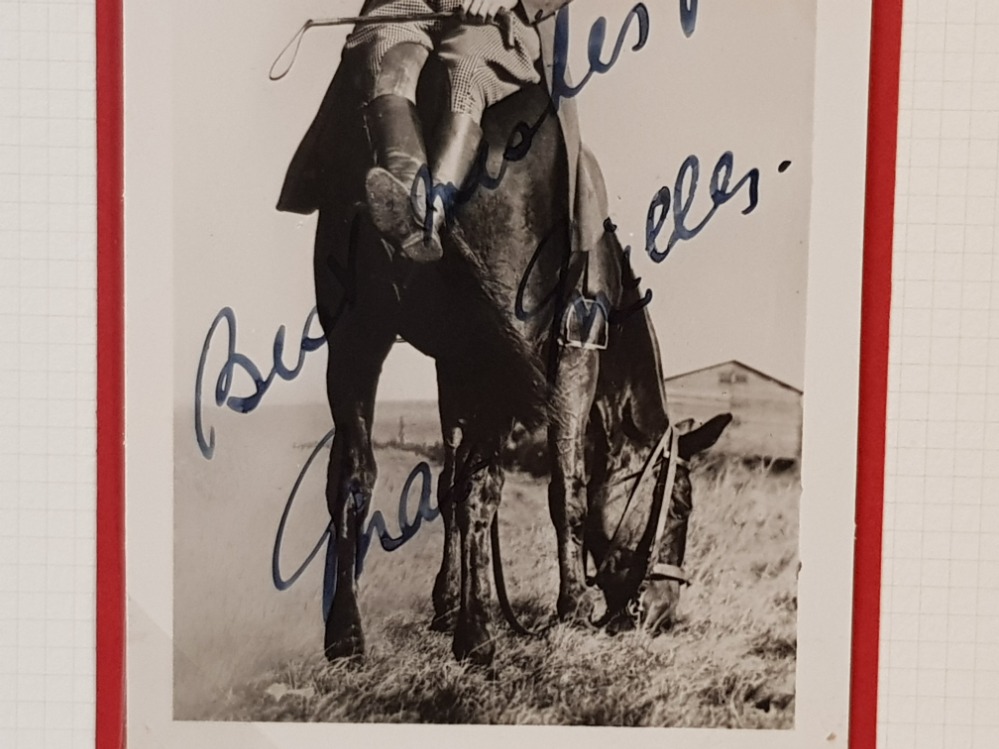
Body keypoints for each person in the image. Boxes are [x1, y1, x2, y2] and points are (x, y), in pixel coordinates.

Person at [346, 0, 575, 262]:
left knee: (467, 70)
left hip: (498, 16)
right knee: (385, 59)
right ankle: (407, 197)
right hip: (406, 5)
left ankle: (431, 213)